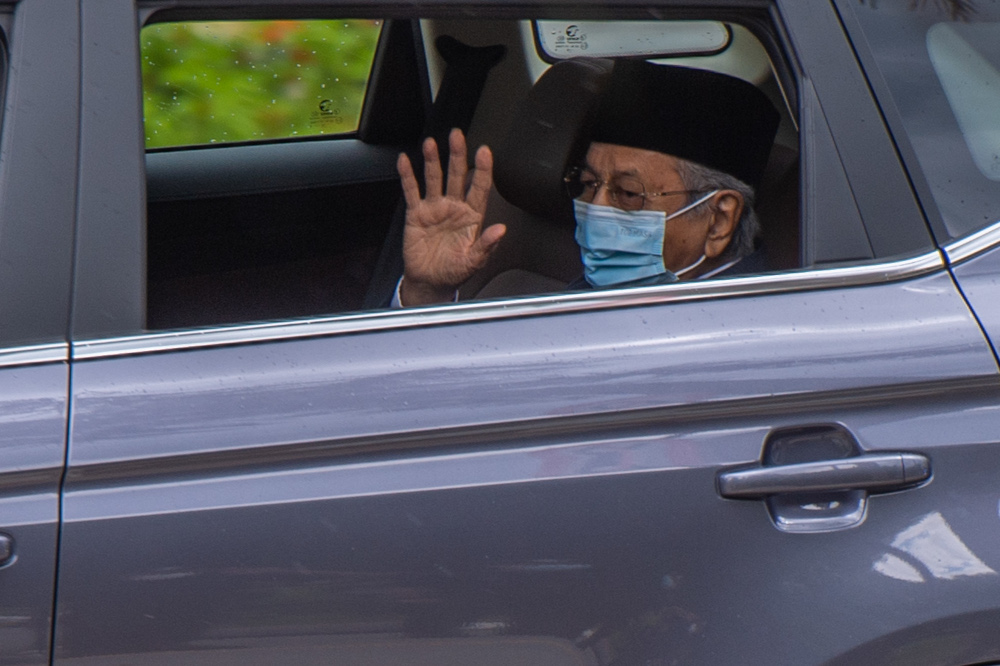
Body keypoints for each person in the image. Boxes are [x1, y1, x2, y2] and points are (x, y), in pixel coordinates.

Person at [393, 59, 780, 307]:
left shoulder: (741, 328)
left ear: (718, 220)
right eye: (589, 184)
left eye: (629, 194)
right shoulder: (605, 291)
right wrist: (428, 292)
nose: (595, 210)